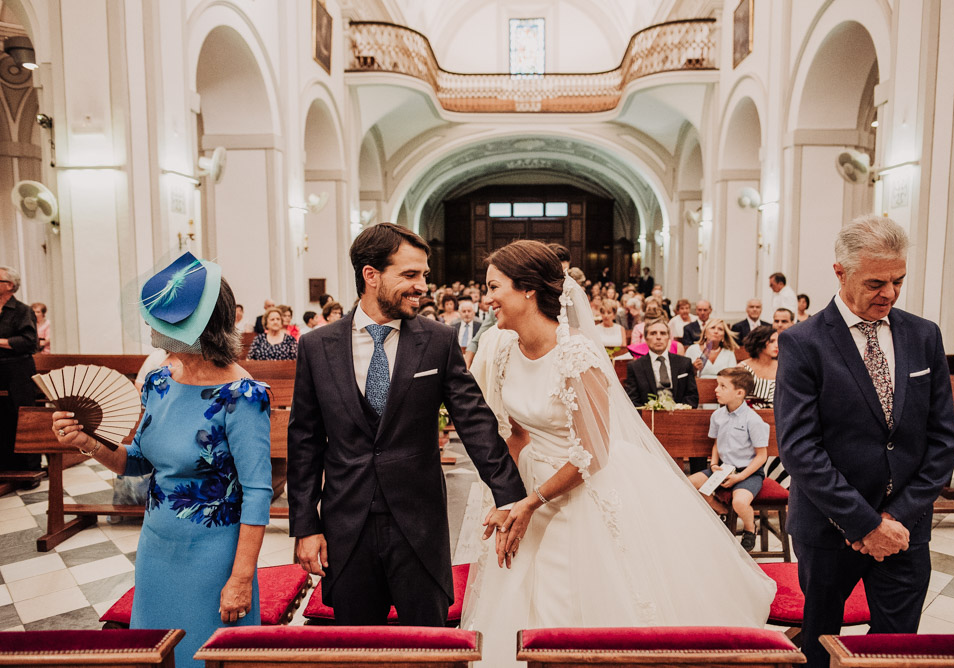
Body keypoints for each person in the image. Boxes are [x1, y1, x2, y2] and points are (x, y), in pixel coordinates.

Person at [461, 241, 774, 667]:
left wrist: (534, 501)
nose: (488, 297)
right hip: (532, 486)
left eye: (494, 286)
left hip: (582, 489)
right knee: (518, 596)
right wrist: (512, 499)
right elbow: (515, 434)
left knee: (573, 599)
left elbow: (593, 454)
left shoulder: (577, 355)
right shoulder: (505, 350)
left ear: (528, 290)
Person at [287, 223, 526, 628]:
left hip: (419, 525)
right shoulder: (317, 346)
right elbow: (305, 441)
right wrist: (306, 526)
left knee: (428, 644)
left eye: (424, 276)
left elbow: (475, 422)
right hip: (347, 526)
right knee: (356, 649)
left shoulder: (437, 341)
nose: (422, 287)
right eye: (410, 274)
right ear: (371, 274)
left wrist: (511, 498)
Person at [52, 254, 272, 668]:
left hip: (214, 558)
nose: (149, 326)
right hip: (157, 549)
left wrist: (241, 578)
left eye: (158, 317)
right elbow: (136, 462)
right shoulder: (158, 381)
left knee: (205, 658)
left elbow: (258, 492)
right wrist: (88, 441)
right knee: (158, 654)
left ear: (191, 327)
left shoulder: (242, 396)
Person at [774, 215, 954, 668]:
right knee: (820, 645)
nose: (890, 293)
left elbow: (941, 440)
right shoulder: (803, 342)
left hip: (905, 528)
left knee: (895, 650)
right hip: (830, 528)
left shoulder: (923, 335)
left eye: (899, 280)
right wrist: (864, 525)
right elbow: (800, 448)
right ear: (840, 271)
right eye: (877, 282)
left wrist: (895, 519)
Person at [688, 367, 769, 551]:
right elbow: (717, 444)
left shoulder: (753, 420)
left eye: (722, 386)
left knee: (739, 502)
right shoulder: (717, 416)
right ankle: (723, 512)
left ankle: (750, 529)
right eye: (718, 385)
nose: (716, 390)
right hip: (722, 468)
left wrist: (740, 477)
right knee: (691, 485)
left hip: (748, 472)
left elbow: (762, 455)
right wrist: (714, 464)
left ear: (739, 393)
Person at [0, 265, 40, 472]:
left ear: (9, 286)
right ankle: (5, 465)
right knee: (2, 417)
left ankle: (29, 467)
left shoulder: (22, 310)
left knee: (22, 416)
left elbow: (29, 341)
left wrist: (1, 342)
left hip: (18, 370)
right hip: (0, 369)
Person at [623, 318, 698, 408]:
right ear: (646, 339)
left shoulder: (684, 363)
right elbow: (633, 400)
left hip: (679, 415)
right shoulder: (635, 367)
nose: (658, 337)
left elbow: (692, 396)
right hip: (648, 417)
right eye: (653, 333)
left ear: (668, 338)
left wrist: (679, 411)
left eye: (663, 333)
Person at [739, 325, 778, 408]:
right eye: (771, 341)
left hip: (776, 415)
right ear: (759, 342)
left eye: (778, 341)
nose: (777, 345)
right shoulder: (742, 368)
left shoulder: (781, 366)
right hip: (749, 415)